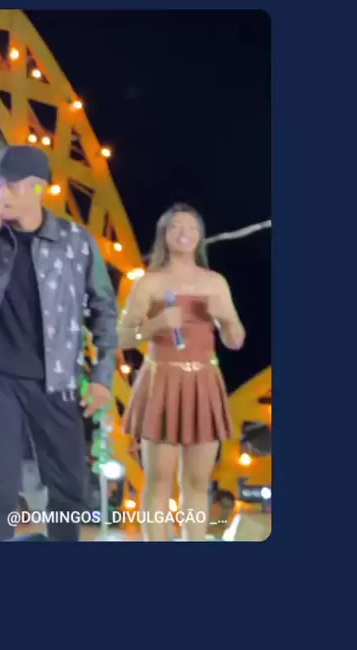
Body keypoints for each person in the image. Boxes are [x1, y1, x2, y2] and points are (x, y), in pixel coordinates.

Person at [0, 145, 118, 541]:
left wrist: (103, 378)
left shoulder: (76, 242)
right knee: (0, 489)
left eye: (10, 184)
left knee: (68, 489)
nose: (1, 192)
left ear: (37, 188)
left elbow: (105, 310)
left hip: (59, 382)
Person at [119, 204, 245, 542]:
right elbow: (121, 337)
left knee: (198, 482)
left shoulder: (215, 282)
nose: (183, 232)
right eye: (175, 226)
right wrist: (155, 325)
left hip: (204, 384)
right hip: (162, 383)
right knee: (159, 481)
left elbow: (235, 341)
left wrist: (226, 318)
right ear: (164, 235)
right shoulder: (150, 282)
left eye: (191, 226)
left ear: (200, 235)